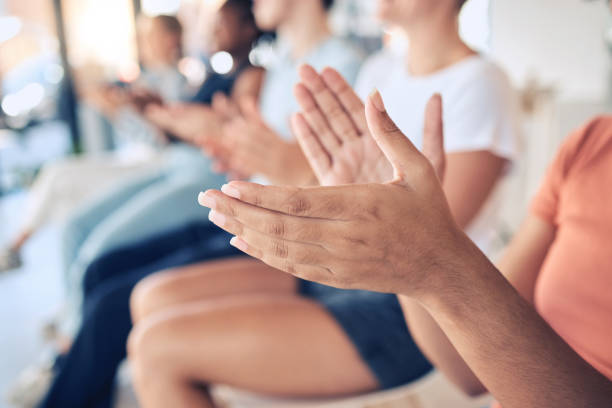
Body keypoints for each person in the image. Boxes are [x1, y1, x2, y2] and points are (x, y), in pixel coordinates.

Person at [126, 0, 520, 407]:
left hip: (418, 313)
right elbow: (347, 190)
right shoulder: (379, 70)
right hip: (343, 269)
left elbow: (429, 241)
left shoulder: (482, 82)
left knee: (158, 349)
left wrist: (295, 170)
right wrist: (278, 166)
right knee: (150, 298)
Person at [33, 1, 364, 408]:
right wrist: (231, 144)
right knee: (103, 269)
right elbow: (281, 160)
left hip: (277, 229)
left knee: (110, 305)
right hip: (247, 209)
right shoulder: (284, 64)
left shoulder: (342, 65)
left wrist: (241, 145)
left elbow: (327, 182)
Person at [0, 14, 188, 273]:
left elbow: (163, 141)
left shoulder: (178, 83)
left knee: (62, 182)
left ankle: (19, 247)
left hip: (152, 164)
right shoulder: (151, 79)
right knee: (61, 181)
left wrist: (116, 112)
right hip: (136, 157)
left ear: (170, 39)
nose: (143, 41)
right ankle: (45, 264)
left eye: (150, 35)